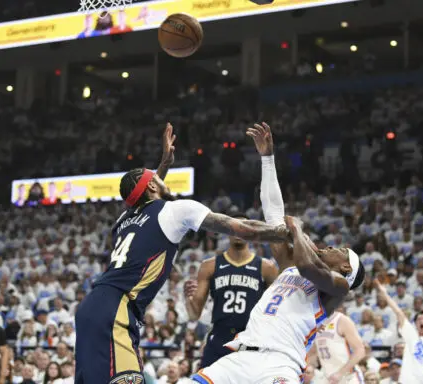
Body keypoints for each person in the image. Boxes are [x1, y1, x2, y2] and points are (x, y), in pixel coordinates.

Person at [74, 123, 291, 384]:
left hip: (91, 308)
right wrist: (283, 233)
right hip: (116, 310)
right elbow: (239, 226)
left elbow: (146, 196)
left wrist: (163, 164)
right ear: (153, 186)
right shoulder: (177, 210)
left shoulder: (122, 220)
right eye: (155, 177)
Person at [191, 123, 365, 384]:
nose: (330, 247)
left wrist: (296, 229)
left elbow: (309, 267)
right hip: (240, 356)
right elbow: (273, 214)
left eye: (338, 251)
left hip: (279, 363)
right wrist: (268, 159)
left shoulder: (337, 288)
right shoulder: (290, 266)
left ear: (345, 269)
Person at [184, 212, 278, 368]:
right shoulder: (209, 266)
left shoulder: (266, 267)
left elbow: (275, 313)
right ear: (227, 231)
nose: (239, 232)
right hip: (219, 337)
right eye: (235, 227)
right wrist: (187, 298)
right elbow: (194, 315)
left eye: (244, 227)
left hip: (251, 338)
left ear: (251, 231)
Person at [375, 280, 423, 384]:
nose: (421, 321)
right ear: (415, 324)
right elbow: (399, 313)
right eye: (419, 319)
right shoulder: (410, 335)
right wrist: (385, 295)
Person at [314, 307, 366, 383]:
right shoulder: (315, 323)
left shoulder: (341, 320)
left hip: (348, 377)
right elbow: (312, 353)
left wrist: (340, 373)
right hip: (328, 377)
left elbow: (360, 351)